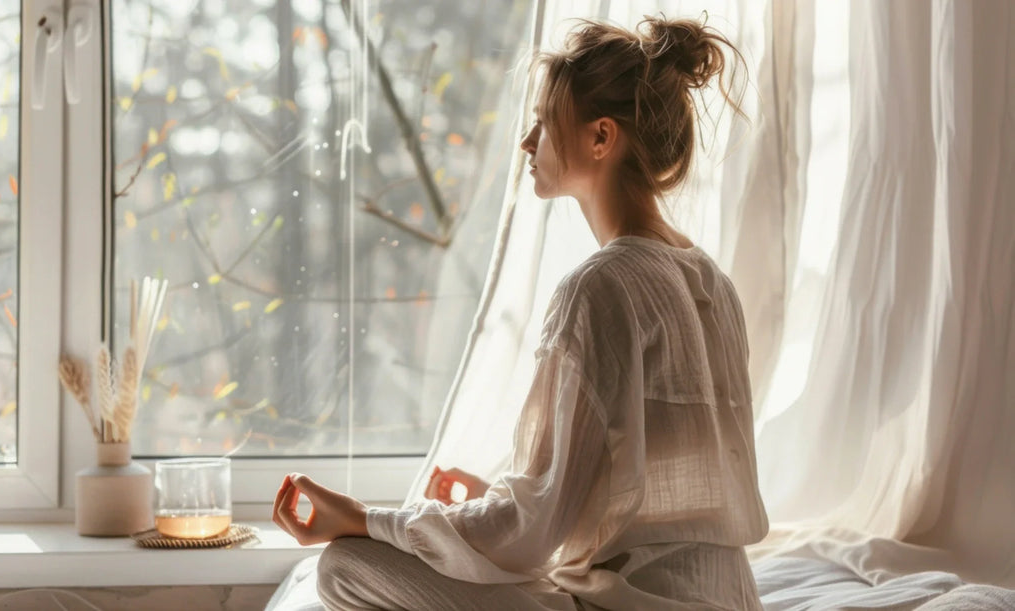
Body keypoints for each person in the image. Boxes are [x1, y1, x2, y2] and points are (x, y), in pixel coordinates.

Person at [272, 14, 769, 610]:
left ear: (601, 137)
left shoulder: (600, 285)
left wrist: (364, 519)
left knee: (342, 565)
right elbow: (653, 494)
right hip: (729, 599)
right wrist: (488, 501)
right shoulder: (711, 281)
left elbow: (531, 534)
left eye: (543, 122)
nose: (528, 142)